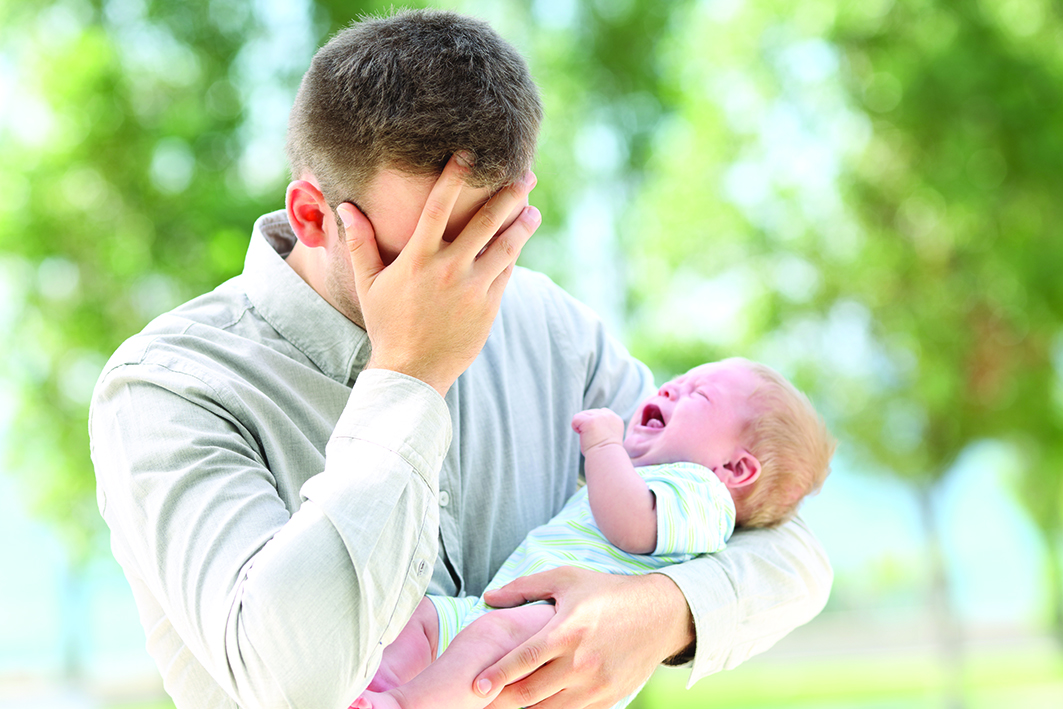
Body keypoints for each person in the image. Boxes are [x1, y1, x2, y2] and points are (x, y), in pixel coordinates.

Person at [89, 9, 833, 709]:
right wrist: (407, 377)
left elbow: (786, 543)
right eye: (431, 241)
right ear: (313, 216)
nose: (466, 274)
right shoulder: (168, 388)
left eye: (494, 233)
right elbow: (294, 679)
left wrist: (659, 614)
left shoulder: (549, 326)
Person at [352, 358, 835, 709]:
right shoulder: (654, 474)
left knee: (488, 640)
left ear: (736, 467)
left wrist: (604, 444)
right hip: (506, 612)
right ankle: (374, 687)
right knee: (426, 616)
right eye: (676, 382)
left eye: (698, 396)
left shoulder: (702, 494)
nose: (669, 390)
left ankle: (400, 704)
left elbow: (630, 526)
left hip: (562, 631)